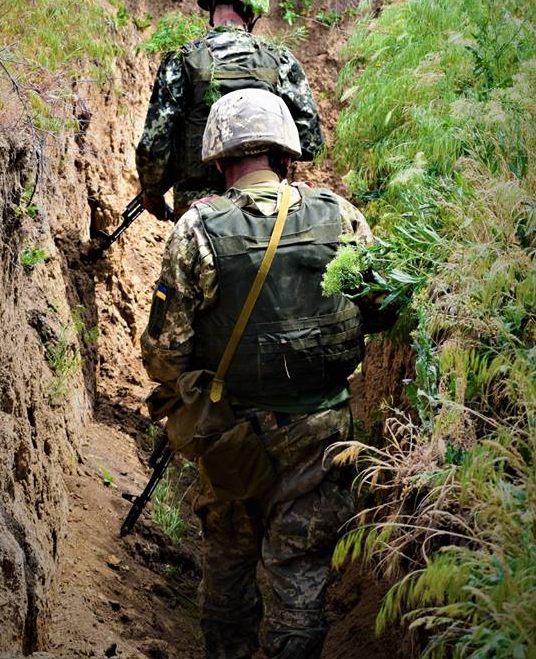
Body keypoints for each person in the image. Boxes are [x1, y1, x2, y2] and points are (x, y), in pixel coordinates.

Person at [140, 89, 397, 659]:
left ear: (219, 160)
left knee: (229, 567)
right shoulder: (341, 215)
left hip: (231, 434)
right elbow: (383, 307)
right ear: (286, 155)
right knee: (300, 579)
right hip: (320, 437)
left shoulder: (197, 230)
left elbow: (162, 356)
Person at [136, 0, 325, 220]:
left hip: (199, 205)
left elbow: (154, 142)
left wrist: (152, 193)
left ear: (212, 7)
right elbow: (311, 142)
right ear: (250, 11)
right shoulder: (280, 59)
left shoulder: (181, 59)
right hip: (266, 200)